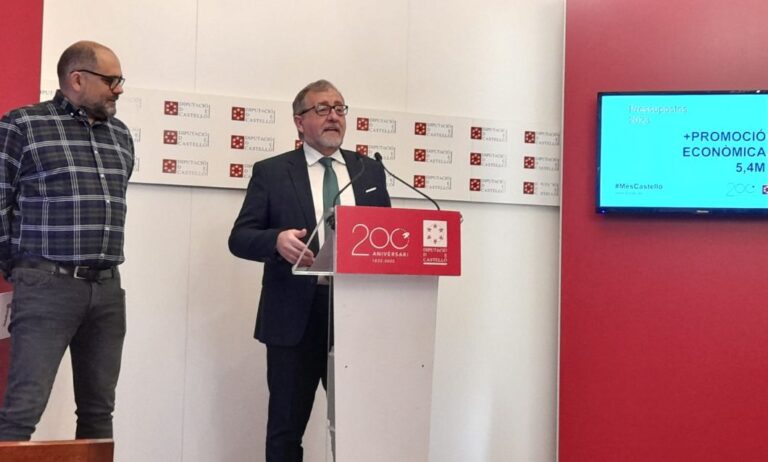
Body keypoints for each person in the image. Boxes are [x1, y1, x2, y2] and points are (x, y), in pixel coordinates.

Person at [229, 79, 390, 461]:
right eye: (322, 109)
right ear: (299, 122)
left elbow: (387, 237)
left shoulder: (369, 171)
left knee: (361, 426)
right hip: (295, 316)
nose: (333, 116)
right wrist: (276, 241)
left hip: (356, 314)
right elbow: (240, 238)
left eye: (339, 108)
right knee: (286, 431)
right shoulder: (272, 172)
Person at [0, 40, 134, 440]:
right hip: (47, 286)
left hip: (107, 289)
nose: (118, 89)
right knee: (22, 410)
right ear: (77, 79)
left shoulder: (120, 135)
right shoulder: (22, 126)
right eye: (111, 80)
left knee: (99, 410)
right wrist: (21, 268)